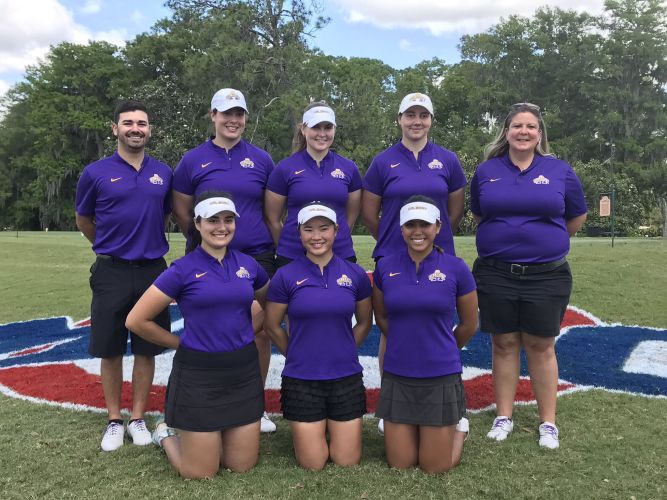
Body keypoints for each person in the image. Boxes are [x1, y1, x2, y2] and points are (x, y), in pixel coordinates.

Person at [125, 192, 269, 479]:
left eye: (228, 220)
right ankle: (165, 435)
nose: (222, 227)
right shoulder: (182, 269)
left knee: (241, 465)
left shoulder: (249, 266)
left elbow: (269, 305)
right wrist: (180, 343)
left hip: (243, 372)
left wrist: (247, 330)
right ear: (198, 224)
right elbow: (136, 320)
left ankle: (209, 438)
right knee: (200, 472)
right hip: (199, 376)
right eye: (213, 220)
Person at [470, 102, 587, 449]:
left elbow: (576, 216)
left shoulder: (559, 170)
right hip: (496, 272)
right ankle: (503, 416)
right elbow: (480, 215)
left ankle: (547, 422)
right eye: (517, 126)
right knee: (503, 343)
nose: (524, 131)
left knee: (541, 345)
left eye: (530, 126)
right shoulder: (487, 170)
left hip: (547, 275)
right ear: (506, 132)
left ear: (539, 134)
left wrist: (546, 243)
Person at [171, 88, 277, 433]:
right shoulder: (193, 160)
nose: (233, 120)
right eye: (226, 113)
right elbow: (182, 209)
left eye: (239, 114)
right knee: (208, 328)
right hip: (207, 258)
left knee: (259, 331)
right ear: (213, 115)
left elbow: (271, 210)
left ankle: (254, 405)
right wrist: (206, 240)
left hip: (256, 255)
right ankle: (202, 398)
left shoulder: (261, 159)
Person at [361, 92, 467, 433]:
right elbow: (369, 213)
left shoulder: (448, 160)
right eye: (410, 115)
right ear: (399, 119)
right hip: (393, 256)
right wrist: (395, 240)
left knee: (438, 321)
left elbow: (454, 211)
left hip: (438, 255)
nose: (416, 121)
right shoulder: (383, 161)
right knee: (391, 328)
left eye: (423, 115)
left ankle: (448, 399)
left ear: (431, 120)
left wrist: (430, 238)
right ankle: (391, 405)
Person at [75, 100, 172, 452]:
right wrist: (108, 246)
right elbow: (84, 219)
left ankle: (138, 417)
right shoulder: (95, 172)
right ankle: (115, 419)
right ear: (115, 128)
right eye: (128, 123)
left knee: (147, 347)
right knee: (111, 347)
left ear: (149, 130)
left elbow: (163, 214)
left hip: (152, 270)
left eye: (141, 123)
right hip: (111, 269)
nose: (135, 129)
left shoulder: (163, 172)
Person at [372, 196, 478, 473]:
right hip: (398, 372)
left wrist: (444, 347)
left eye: (424, 224)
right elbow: (381, 316)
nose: (417, 231)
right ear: (401, 228)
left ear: (438, 227)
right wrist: (404, 343)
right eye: (410, 225)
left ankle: (459, 429)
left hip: (440, 374)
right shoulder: (385, 267)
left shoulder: (456, 268)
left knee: (434, 467)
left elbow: (469, 324)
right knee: (400, 464)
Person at [264, 202, 372, 470]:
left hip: (345, 377)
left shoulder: (355, 274)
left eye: (324, 228)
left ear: (336, 231)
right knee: (313, 463)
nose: (316, 236)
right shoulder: (285, 275)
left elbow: (364, 322)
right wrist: (295, 353)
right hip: (302, 379)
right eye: (309, 229)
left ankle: (325, 427)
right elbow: (272, 325)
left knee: (347, 461)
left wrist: (346, 349)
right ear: (299, 233)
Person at [265, 101, 361, 267]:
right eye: (316, 127)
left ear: (334, 130)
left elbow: (350, 217)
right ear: (303, 129)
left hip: (340, 254)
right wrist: (289, 245)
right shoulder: (285, 168)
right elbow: (272, 219)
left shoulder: (349, 168)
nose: (322, 134)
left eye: (328, 127)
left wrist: (334, 237)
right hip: (293, 257)